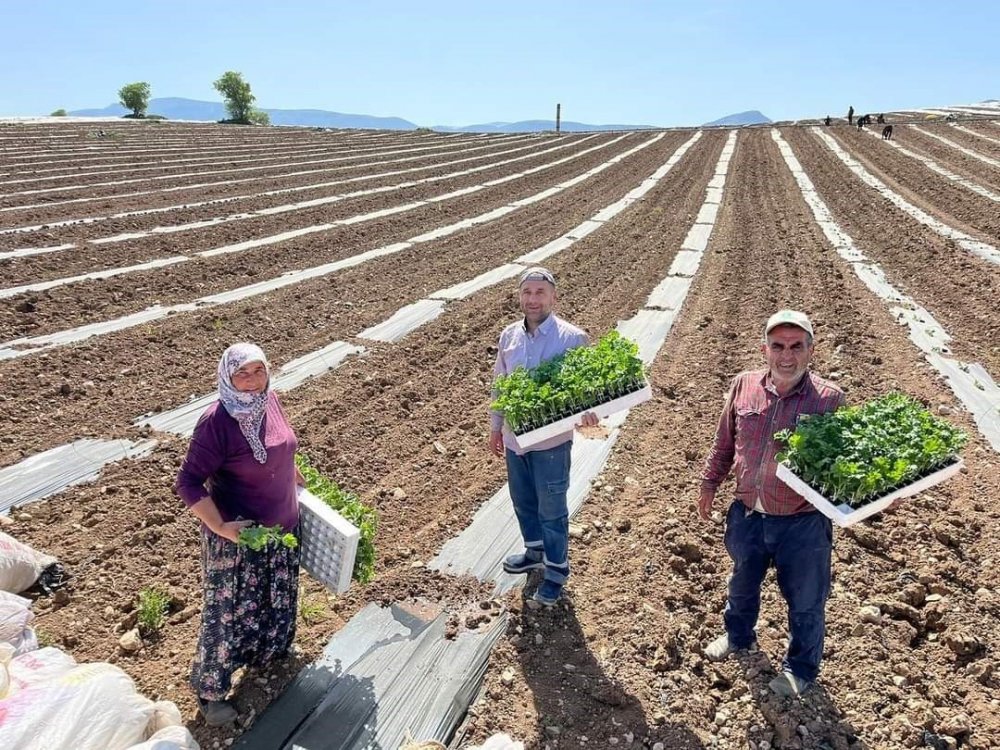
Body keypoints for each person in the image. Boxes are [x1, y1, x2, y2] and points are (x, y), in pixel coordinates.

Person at [698, 310, 845, 698]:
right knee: (742, 583)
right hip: (747, 512)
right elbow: (725, 441)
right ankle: (738, 635)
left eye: (797, 346)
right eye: (778, 346)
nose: (786, 355)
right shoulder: (743, 385)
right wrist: (709, 483)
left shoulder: (829, 399)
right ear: (765, 348)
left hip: (802, 523)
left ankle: (800, 668)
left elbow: (844, 465)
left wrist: (881, 496)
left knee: (806, 600)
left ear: (811, 350)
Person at [175, 343, 305, 725]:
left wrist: (293, 478)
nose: (251, 382)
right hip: (240, 539)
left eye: (258, 371)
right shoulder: (216, 421)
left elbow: (283, 447)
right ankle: (211, 693)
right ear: (227, 377)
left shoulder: (270, 401)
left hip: (281, 530)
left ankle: (267, 660)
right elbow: (187, 482)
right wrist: (218, 526)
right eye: (241, 374)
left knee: (273, 600)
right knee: (227, 615)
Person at [489, 267, 597, 607]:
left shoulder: (572, 338)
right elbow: (499, 383)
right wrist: (496, 426)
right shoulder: (509, 336)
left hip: (551, 446)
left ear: (553, 297)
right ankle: (534, 553)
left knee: (552, 509)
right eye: (527, 293)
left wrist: (590, 414)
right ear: (520, 296)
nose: (532, 299)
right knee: (523, 503)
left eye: (540, 293)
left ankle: (555, 573)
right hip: (514, 441)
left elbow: (589, 391)